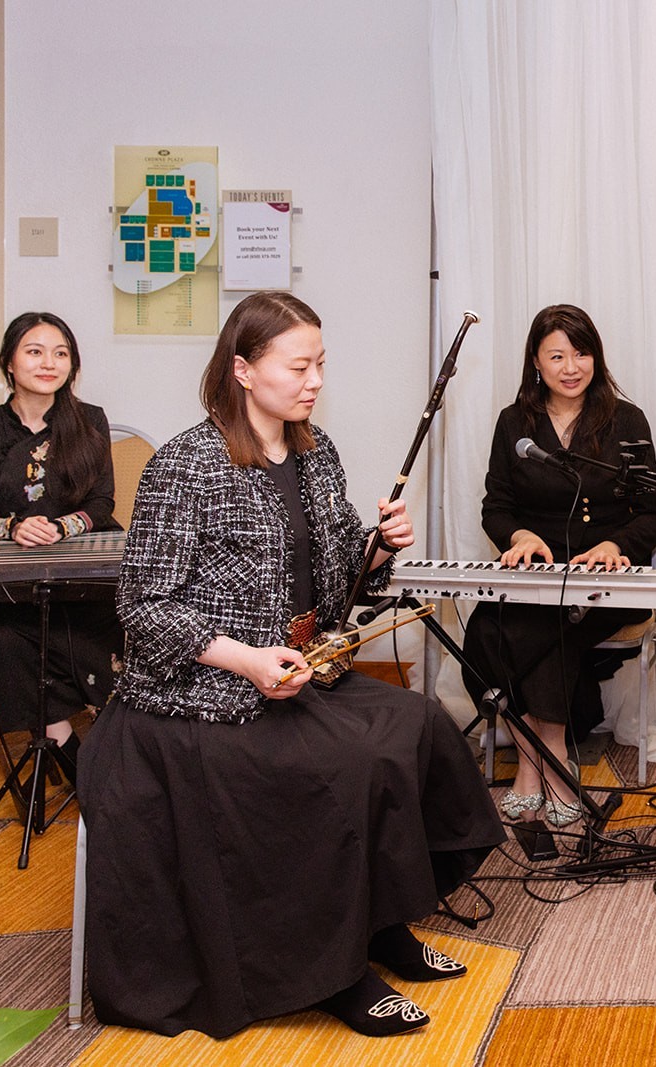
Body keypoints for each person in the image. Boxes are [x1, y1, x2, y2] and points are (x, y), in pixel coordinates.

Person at [78, 291, 504, 1039]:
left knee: (416, 724)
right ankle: (336, 971)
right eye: (298, 366)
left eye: (320, 365)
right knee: (339, 765)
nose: (314, 381)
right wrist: (246, 660)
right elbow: (144, 609)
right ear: (242, 369)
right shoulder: (186, 464)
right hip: (199, 693)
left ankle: (380, 924)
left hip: (297, 675)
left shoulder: (315, 451)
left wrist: (378, 548)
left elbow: (337, 581)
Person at [462, 304, 656, 827]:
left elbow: (655, 510)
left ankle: (538, 768)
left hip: (606, 581)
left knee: (542, 627)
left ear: (596, 357)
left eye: (581, 354)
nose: (571, 367)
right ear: (536, 361)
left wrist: (616, 545)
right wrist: (519, 535)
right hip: (535, 575)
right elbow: (496, 507)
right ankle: (546, 762)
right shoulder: (514, 423)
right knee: (488, 628)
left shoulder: (626, 420)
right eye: (557, 356)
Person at [0, 312, 121, 781]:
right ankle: (74, 759)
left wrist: (62, 527)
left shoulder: (90, 420)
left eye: (60, 353)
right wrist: (14, 529)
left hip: (85, 571)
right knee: (11, 640)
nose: (49, 363)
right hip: (19, 575)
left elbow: (102, 502)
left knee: (95, 628)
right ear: (9, 362)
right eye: (35, 352)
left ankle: (105, 751)